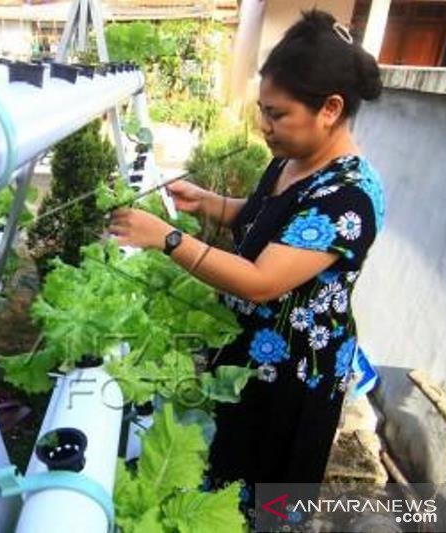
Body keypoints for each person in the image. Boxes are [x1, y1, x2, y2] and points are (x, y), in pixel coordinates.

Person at [108, 9, 385, 495]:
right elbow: (271, 218)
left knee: (268, 490)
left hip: (294, 378)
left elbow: (262, 281)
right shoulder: (292, 161)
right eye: (263, 109)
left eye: (277, 114)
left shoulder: (350, 196)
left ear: (330, 109)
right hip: (249, 356)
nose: (264, 125)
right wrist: (214, 205)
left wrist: (168, 238)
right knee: (229, 467)